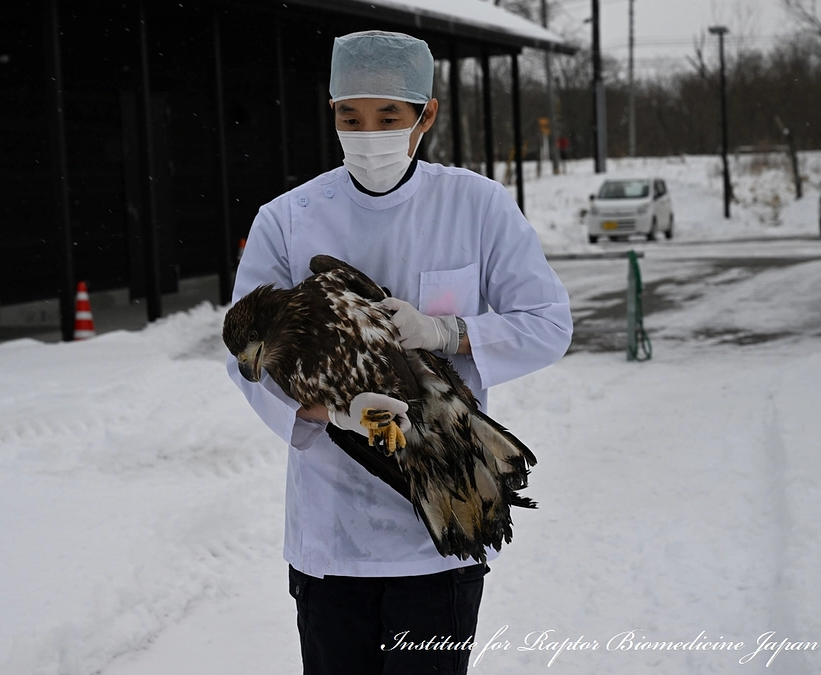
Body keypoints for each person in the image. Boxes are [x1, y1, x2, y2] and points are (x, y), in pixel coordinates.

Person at [226, 30, 572, 675]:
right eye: (350, 116)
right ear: (331, 113)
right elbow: (247, 354)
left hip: (443, 517)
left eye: (389, 116)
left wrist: (450, 334)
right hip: (332, 531)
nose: (368, 132)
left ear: (426, 114)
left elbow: (549, 324)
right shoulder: (288, 219)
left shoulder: (477, 206)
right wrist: (322, 416)